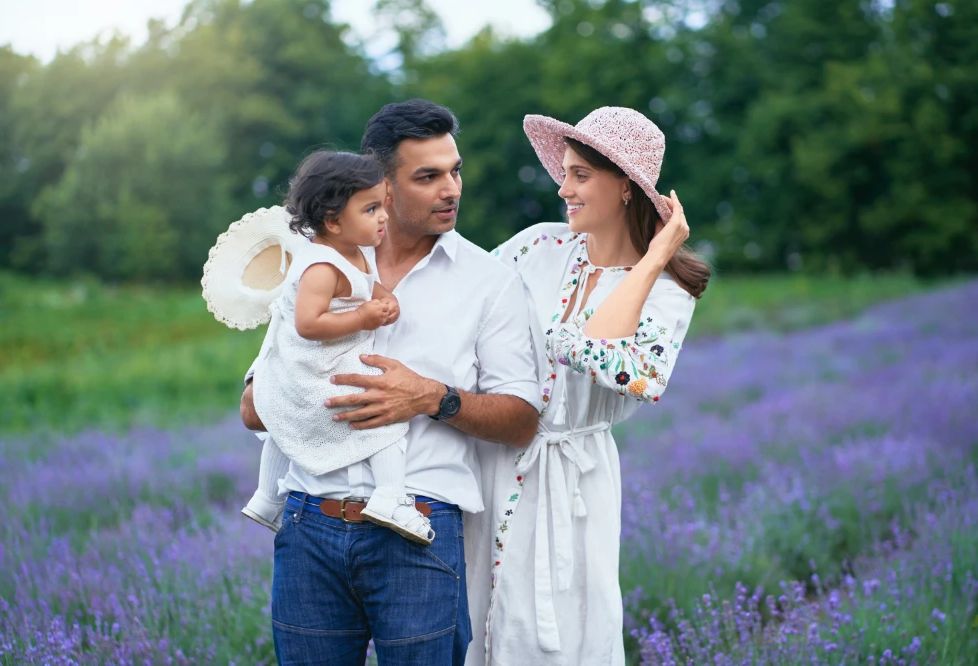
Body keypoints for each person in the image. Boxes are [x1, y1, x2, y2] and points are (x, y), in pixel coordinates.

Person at [239, 99, 541, 666]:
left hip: (419, 530)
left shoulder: (491, 283)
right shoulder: (315, 267)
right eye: (427, 176)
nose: (450, 188)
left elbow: (522, 420)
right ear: (381, 184)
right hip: (308, 525)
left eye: (455, 171)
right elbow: (253, 406)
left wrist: (432, 397)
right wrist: (281, 393)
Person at [465, 107, 710, 665]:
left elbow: (636, 375)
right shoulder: (536, 247)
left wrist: (651, 262)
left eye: (581, 176)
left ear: (625, 188)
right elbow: (464, 305)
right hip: (495, 459)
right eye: (565, 173)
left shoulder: (669, 290)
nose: (563, 189)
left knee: (566, 626)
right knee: (478, 617)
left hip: (574, 480)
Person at [242, 149, 439, 544]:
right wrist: (363, 318)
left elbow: (366, 286)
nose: (384, 216)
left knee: (285, 424)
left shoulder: (351, 254)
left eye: (382, 205)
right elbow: (309, 323)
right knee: (384, 416)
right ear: (333, 220)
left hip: (318, 364)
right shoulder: (320, 266)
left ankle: (266, 500)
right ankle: (389, 496)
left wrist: (385, 298)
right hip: (315, 364)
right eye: (370, 210)